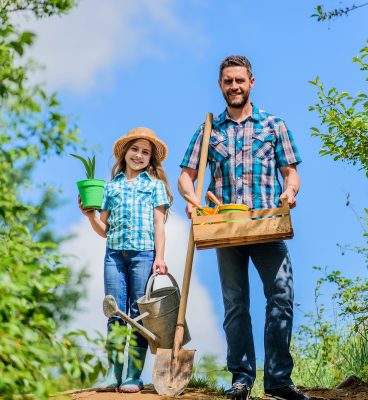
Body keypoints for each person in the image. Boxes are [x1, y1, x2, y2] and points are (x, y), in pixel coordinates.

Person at [178, 56, 309, 400]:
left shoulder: (274, 125)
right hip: (225, 229)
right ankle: (241, 378)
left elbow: (290, 173)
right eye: (227, 81)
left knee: (281, 296)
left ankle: (279, 380)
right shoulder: (209, 130)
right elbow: (186, 177)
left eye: (239, 80)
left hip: (267, 223)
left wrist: (290, 191)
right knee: (235, 304)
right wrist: (192, 200)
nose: (234, 86)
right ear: (220, 85)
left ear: (251, 81)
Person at [79, 127, 172, 393]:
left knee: (139, 314)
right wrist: (90, 216)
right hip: (114, 256)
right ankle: (112, 373)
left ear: (151, 159)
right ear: (125, 153)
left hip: (144, 255)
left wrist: (160, 258)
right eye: (135, 149)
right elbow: (104, 230)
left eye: (145, 152)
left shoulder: (154, 186)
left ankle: (133, 375)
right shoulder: (112, 187)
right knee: (114, 313)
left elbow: (159, 225)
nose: (139, 155)